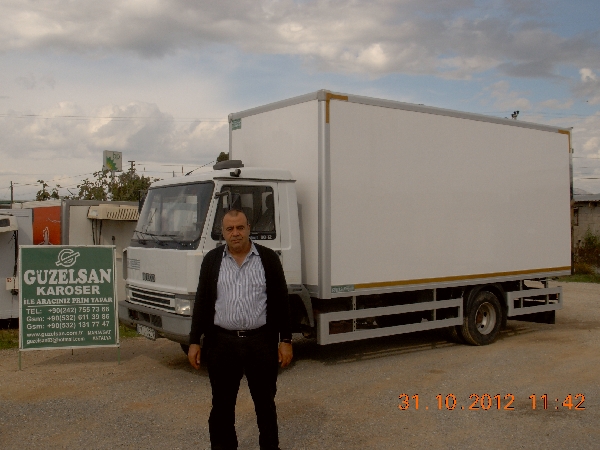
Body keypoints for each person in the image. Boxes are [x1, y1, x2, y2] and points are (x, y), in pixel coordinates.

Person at [188, 208, 293, 450]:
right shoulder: (212, 260)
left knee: (265, 405)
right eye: (230, 229)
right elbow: (202, 301)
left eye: (240, 228)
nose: (235, 233)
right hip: (221, 344)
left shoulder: (268, 259)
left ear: (248, 229)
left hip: (260, 343)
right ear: (223, 232)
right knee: (222, 406)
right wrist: (194, 340)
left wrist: (285, 340)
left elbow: (281, 301)